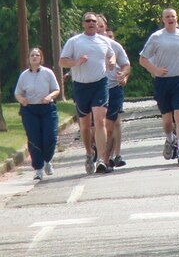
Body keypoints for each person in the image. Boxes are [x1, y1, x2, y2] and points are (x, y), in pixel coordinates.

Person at [139, 8, 179, 167]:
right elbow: (143, 59)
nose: (170, 19)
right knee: (167, 121)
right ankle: (170, 138)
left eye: (173, 16)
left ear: (177, 18)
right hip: (162, 81)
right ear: (163, 20)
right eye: (167, 17)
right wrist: (155, 70)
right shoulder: (156, 37)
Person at [60, 11, 116, 174]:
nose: (91, 23)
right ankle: (88, 153)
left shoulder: (104, 41)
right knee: (85, 126)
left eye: (93, 21)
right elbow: (62, 61)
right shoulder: (74, 42)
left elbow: (111, 55)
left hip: (100, 83)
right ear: (83, 24)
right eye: (88, 21)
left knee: (100, 121)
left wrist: (111, 63)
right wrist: (76, 62)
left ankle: (101, 159)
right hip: (81, 85)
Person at [15, 47, 60, 180]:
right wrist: (21, 100)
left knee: (50, 137)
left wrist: (49, 97)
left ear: (41, 58)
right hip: (30, 110)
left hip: (47, 108)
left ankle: (47, 161)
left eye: (37, 55)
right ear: (29, 59)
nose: (34, 57)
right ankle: (38, 169)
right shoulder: (24, 75)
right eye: (32, 55)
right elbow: (17, 92)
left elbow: (56, 89)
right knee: (34, 139)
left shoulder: (48, 73)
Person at [96, 15, 131, 168]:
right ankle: (95, 155)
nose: (98, 28)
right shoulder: (82, 44)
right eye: (95, 25)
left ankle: (105, 159)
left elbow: (126, 65)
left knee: (110, 126)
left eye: (101, 26)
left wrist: (123, 75)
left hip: (113, 89)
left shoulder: (114, 46)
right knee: (95, 127)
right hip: (93, 90)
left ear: (105, 27)